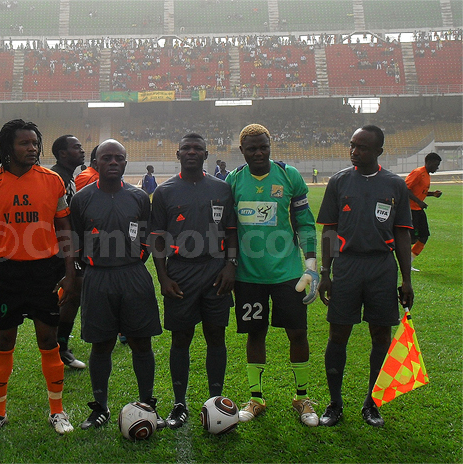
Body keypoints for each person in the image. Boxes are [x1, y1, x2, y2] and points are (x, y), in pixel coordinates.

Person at [0, 119, 76, 436]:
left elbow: (64, 228)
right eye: (25, 143)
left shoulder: (52, 181)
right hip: (8, 272)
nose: (32, 148)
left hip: (45, 271)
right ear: (8, 147)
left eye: (35, 143)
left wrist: (69, 271)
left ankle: (57, 411)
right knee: (4, 341)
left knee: (48, 341)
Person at [316, 125, 414, 428]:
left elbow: (402, 234)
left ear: (379, 151)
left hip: (381, 267)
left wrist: (406, 279)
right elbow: (329, 230)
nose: (354, 151)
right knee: (338, 334)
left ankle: (371, 403)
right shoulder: (339, 181)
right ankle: (335, 404)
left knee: (381, 335)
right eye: (352, 145)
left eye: (362, 147)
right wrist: (325, 272)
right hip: (346, 266)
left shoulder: (394, 184)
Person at [225, 123, 320, 427]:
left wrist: (311, 264)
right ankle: (256, 399)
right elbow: (227, 228)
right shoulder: (233, 180)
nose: (258, 153)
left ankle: (302, 397)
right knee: (255, 333)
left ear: (270, 145)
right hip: (249, 276)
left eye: (263, 146)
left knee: (297, 333)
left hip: (287, 274)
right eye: (251, 148)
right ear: (242, 150)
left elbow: (305, 222)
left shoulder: (289, 176)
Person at [69, 139, 163, 430]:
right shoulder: (81, 199)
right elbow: (75, 241)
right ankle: (100, 408)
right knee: (101, 345)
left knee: (141, 342)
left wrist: (131, 260)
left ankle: (147, 404)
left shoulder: (138, 197)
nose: (112, 162)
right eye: (106, 157)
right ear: (95, 163)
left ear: (125, 162)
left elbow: (146, 237)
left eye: (118, 158)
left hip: (133, 275)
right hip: (97, 277)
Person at [150, 133, 237, 429]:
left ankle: (216, 401)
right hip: (180, 272)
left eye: (197, 148)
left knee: (216, 335)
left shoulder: (222, 188)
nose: (191, 152)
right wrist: (163, 277)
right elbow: (157, 238)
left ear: (206, 154)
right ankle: (179, 403)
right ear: (177, 154)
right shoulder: (164, 192)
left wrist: (230, 266)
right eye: (186, 148)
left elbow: (231, 231)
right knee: (181, 338)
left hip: (216, 270)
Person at [50, 134, 87, 369]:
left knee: (69, 293)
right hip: (57, 249)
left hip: (66, 246)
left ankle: (58, 342)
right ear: (63, 153)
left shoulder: (67, 176)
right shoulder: (56, 178)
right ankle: (60, 347)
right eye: (76, 147)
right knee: (72, 292)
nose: (82, 150)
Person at [405, 152, 443, 271]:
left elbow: (420, 192)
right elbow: (405, 189)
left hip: (418, 209)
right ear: (429, 162)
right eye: (436, 165)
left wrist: (433, 194)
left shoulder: (426, 175)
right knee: (411, 239)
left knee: (424, 236)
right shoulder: (418, 173)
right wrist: (419, 201)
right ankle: (400, 260)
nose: (437, 168)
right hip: (410, 209)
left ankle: (408, 262)